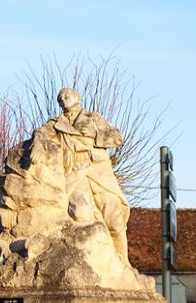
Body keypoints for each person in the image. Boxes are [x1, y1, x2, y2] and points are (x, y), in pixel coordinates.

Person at [29, 87, 130, 261]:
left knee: (115, 221)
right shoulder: (56, 124)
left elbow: (117, 138)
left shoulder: (93, 118)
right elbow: (39, 133)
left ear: (77, 98)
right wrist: (37, 144)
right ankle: (93, 262)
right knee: (81, 213)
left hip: (97, 172)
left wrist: (96, 135)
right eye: (59, 97)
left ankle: (124, 266)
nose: (62, 98)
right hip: (75, 174)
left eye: (66, 95)